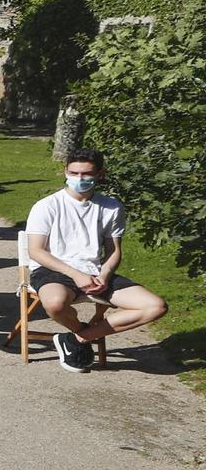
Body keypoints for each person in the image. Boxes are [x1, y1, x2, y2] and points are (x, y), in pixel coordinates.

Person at [25, 149, 167, 372]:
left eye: (86, 174)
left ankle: (78, 338)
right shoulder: (47, 206)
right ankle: (81, 332)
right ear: (65, 171)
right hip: (53, 270)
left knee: (155, 306)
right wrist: (76, 275)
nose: (79, 179)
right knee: (54, 303)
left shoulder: (111, 207)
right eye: (74, 173)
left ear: (100, 174)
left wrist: (104, 274)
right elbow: (36, 251)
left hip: (95, 271)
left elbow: (114, 250)